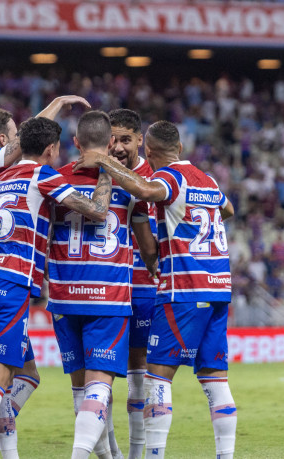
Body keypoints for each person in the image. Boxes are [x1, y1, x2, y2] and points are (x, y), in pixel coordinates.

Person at [0, 114, 113, 459]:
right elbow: (97, 211)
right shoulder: (43, 175)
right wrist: (106, 170)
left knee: (4, 378)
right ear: (51, 149)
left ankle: (3, 453)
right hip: (10, 283)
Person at [75, 120, 237, 459]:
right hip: (219, 287)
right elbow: (228, 209)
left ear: (147, 150)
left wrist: (103, 160)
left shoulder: (170, 177)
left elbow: (147, 191)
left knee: (157, 378)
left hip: (184, 289)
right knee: (216, 381)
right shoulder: (207, 179)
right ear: (180, 146)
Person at [47, 110, 157, 459]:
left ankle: (111, 457)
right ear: (110, 142)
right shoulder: (131, 185)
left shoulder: (54, 181)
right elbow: (147, 246)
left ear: (75, 142)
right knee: (100, 385)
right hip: (109, 296)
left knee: (80, 387)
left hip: (64, 297)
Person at [108, 108, 159, 459]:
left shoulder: (156, 179)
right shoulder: (98, 175)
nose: (118, 147)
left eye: (126, 139)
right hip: (105, 289)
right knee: (99, 376)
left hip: (142, 287)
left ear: (140, 139)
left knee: (138, 371)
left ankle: (136, 454)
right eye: (112, 140)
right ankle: (110, 451)